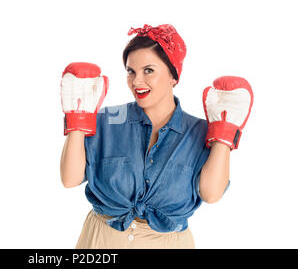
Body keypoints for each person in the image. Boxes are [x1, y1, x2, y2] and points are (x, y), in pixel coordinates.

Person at [59, 23, 254, 249]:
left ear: (173, 75)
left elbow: (211, 194)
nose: (137, 81)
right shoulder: (105, 120)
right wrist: (77, 119)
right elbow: (70, 179)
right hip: (101, 242)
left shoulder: (200, 132)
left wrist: (223, 137)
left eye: (148, 70)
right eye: (131, 71)